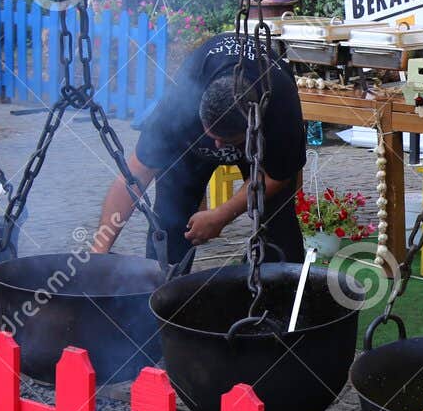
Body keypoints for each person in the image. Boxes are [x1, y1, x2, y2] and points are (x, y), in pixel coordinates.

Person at [92, 31, 305, 268]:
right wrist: (99, 251)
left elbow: (276, 176)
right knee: (171, 222)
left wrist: (222, 215)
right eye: (212, 137)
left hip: (261, 150)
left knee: (278, 227)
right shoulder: (177, 107)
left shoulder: (281, 109)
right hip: (190, 149)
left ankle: (278, 284)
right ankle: (163, 286)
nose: (218, 147)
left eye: (227, 141)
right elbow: (134, 178)